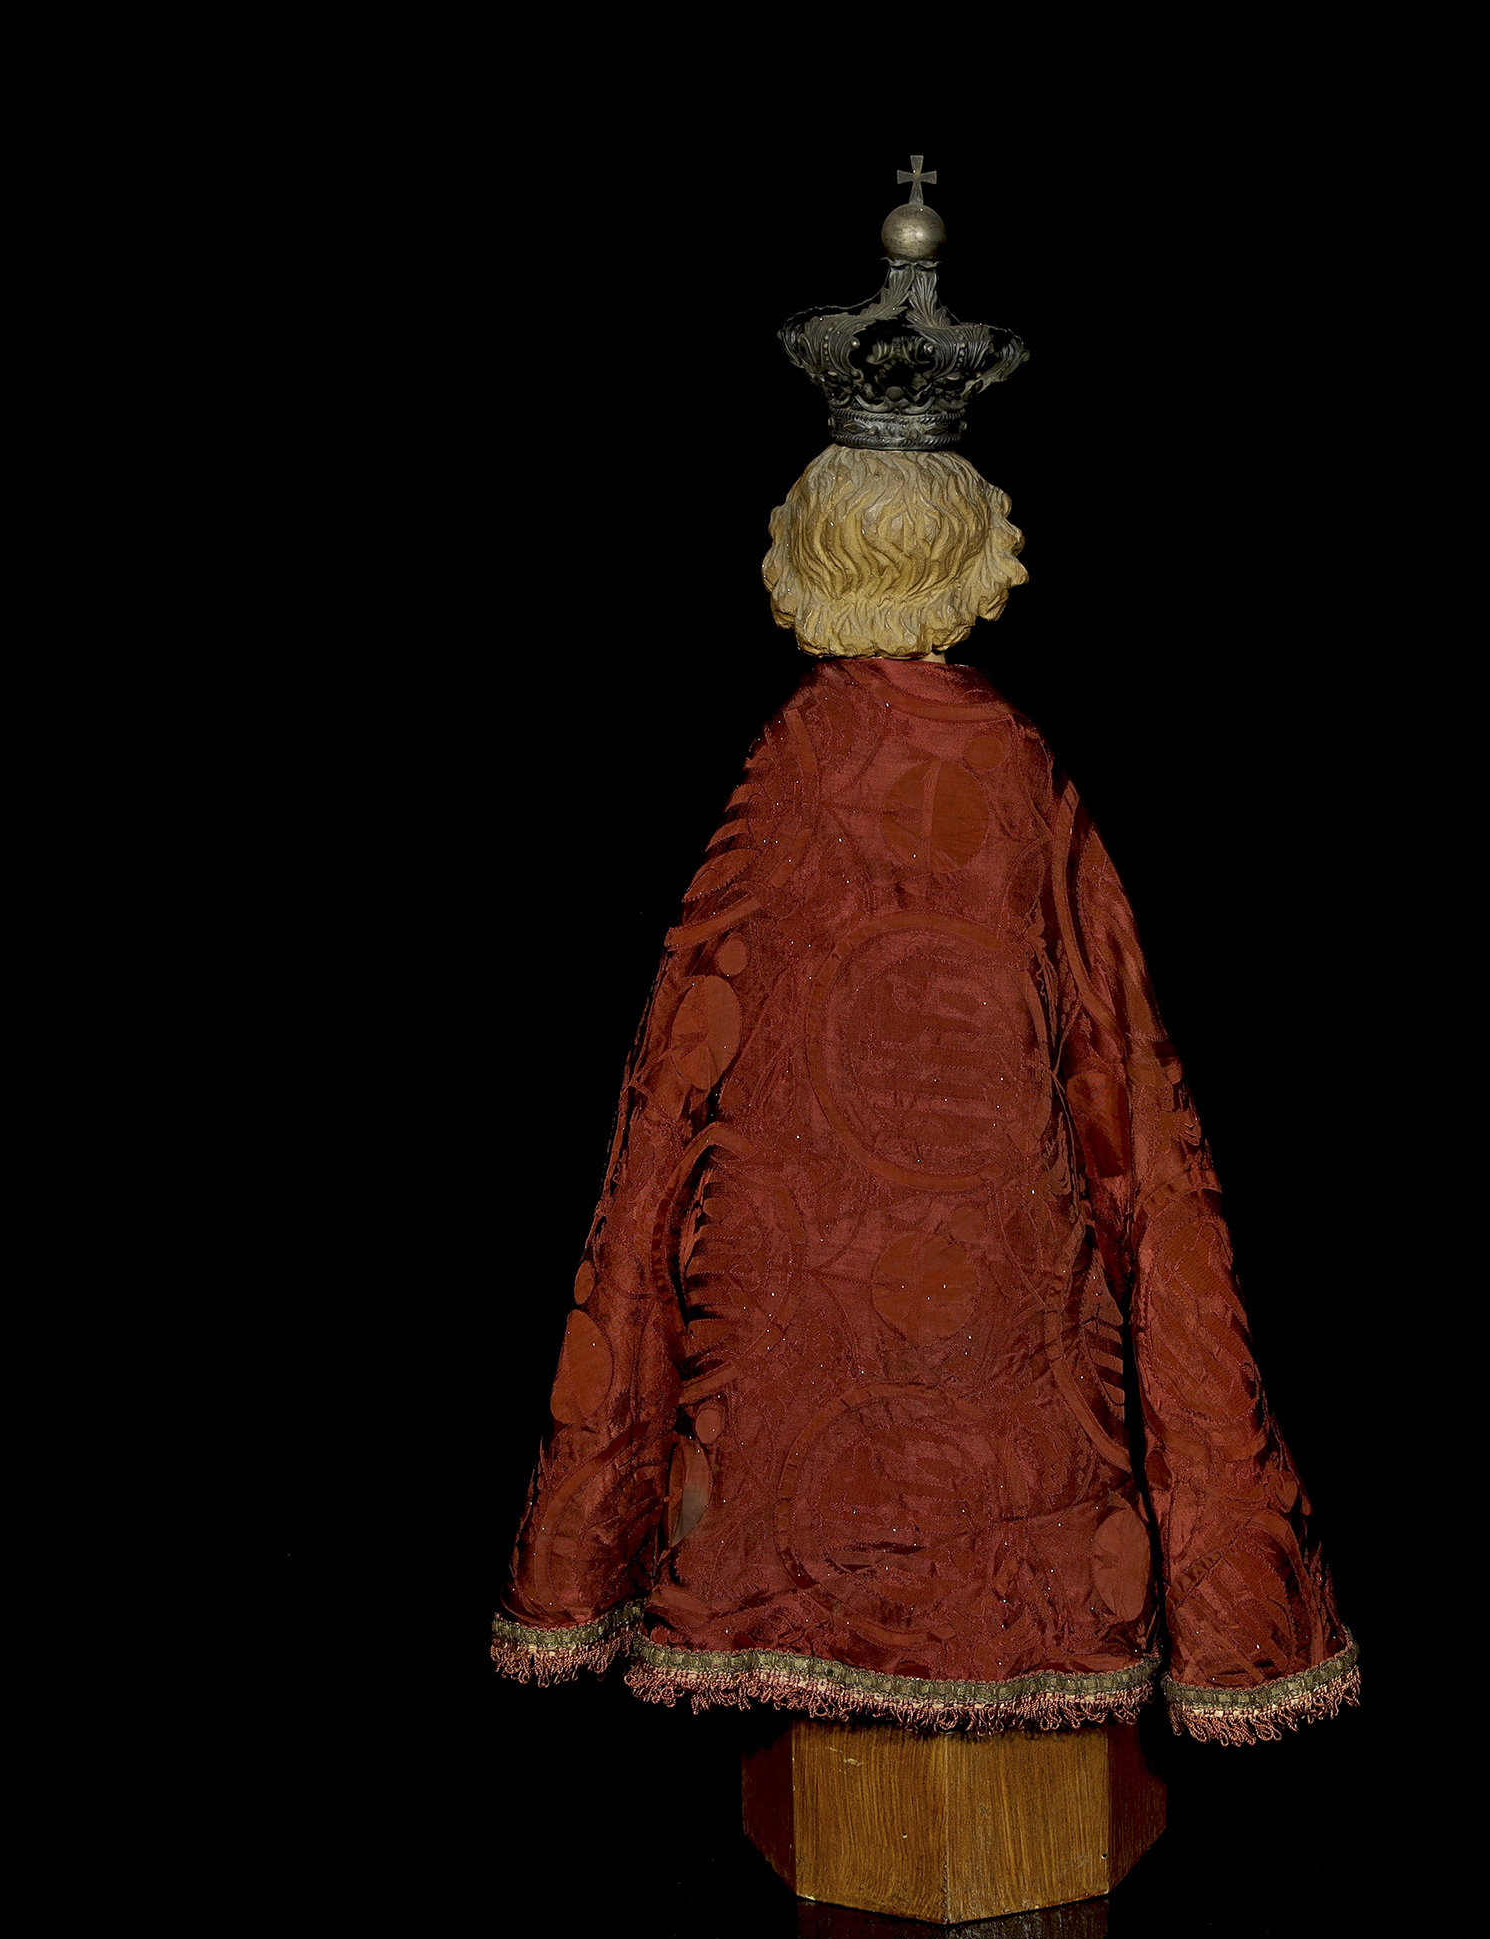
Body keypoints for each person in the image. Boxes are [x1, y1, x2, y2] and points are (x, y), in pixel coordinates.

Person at [487, 184, 1355, 1746]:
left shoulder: (786, 769)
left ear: (811, 540)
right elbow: (1128, 1094)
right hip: (1003, 1366)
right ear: (973, 547)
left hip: (788, 1367)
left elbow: (673, 1085)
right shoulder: (1016, 770)